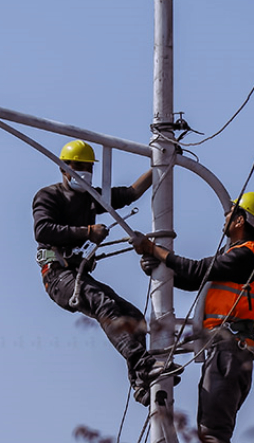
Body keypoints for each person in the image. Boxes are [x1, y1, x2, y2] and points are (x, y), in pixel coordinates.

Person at [129, 191, 254, 443]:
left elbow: (199, 269)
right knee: (212, 432)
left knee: (214, 433)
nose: (225, 219)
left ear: (239, 220)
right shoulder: (235, 256)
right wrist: (160, 266)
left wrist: (155, 251)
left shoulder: (249, 254)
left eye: (230, 214)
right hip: (223, 352)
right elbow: (194, 278)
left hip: (230, 353)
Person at [33, 139, 163, 393]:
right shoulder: (49, 196)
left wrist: (162, 165)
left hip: (77, 273)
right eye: (77, 166)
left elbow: (132, 193)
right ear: (63, 167)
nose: (83, 171)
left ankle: (139, 381)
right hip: (58, 276)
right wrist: (87, 231)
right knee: (102, 301)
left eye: (87, 167)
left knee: (134, 316)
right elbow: (43, 230)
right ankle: (142, 364)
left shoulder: (92, 197)